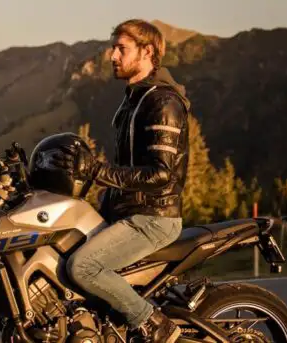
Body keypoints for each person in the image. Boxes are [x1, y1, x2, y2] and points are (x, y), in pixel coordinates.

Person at [46, 19, 191, 343]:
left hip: (152, 218)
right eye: (113, 47)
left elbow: (161, 174)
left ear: (148, 52)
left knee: (82, 268)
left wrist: (96, 171)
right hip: (127, 212)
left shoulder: (162, 102)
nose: (112, 55)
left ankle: (154, 324)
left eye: (121, 48)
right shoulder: (135, 99)